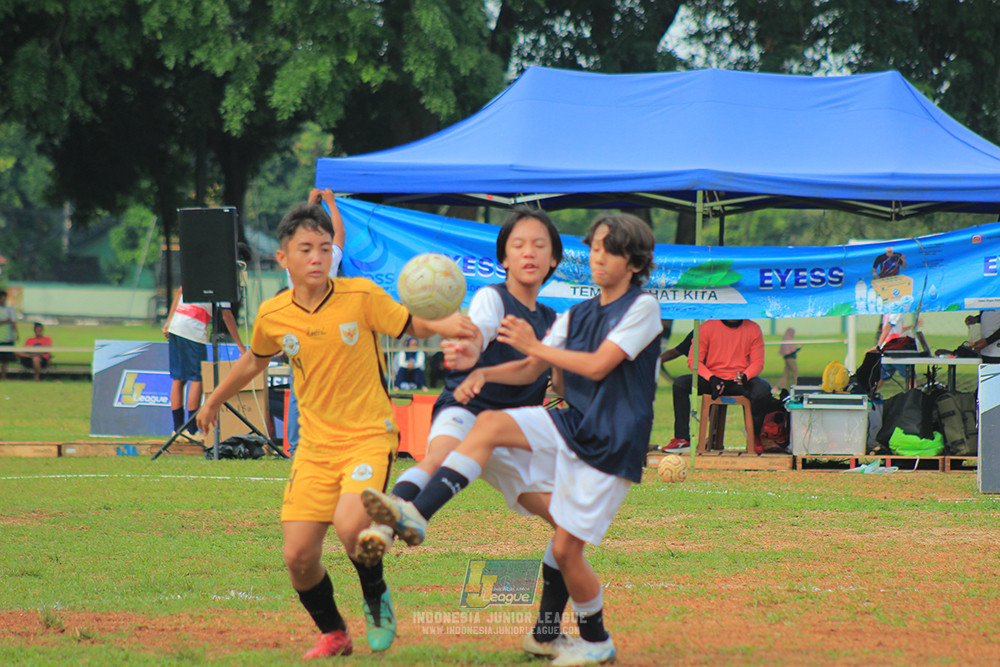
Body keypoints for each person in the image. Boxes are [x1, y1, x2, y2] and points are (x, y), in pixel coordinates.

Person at [361, 213, 661, 666]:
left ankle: (593, 639)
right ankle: (415, 515)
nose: (598, 258)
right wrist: (484, 370)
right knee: (487, 425)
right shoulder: (574, 314)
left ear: (635, 263)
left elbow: (599, 364)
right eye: (595, 248)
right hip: (569, 424)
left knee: (566, 548)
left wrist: (534, 348)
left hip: (612, 439)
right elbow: (531, 367)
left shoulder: (642, 307)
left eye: (610, 250)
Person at [196, 197, 476, 659]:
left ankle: (376, 597)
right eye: (306, 249)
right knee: (298, 557)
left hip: (368, 436)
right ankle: (334, 633)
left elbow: (411, 324)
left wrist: (447, 322)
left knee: (351, 526)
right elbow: (253, 361)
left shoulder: (360, 296)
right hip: (314, 448)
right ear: (283, 257)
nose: (317, 258)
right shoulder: (274, 314)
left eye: (325, 249)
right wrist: (213, 399)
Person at [355, 206, 564, 602]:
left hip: (513, 432)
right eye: (518, 244)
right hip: (468, 407)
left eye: (539, 245)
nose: (529, 252)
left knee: (569, 527)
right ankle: (386, 525)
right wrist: (470, 349)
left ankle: (547, 628)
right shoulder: (491, 298)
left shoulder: (553, 321)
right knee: (438, 457)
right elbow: (480, 330)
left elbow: (550, 373)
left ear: (554, 258)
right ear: (504, 258)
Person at [286, 189, 347, 455]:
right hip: (325, 333)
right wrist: (331, 203)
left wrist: (311, 203)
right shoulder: (327, 261)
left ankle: (297, 446)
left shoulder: (294, 260)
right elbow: (340, 235)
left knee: (299, 392)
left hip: (297, 333)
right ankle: (324, 441)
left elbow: (294, 229)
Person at [667, 319, 771, 452]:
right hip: (712, 380)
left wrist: (746, 376)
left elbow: (758, 362)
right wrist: (711, 378)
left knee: (763, 390)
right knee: (680, 384)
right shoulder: (706, 328)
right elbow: (694, 361)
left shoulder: (753, 328)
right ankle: (681, 438)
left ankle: (755, 435)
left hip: (740, 380)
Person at [162, 288, 245, 441]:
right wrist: (240, 344)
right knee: (198, 378)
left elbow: (180, 291)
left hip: (176, 325)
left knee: (179, 378)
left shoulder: (195, 274)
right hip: (193, 330)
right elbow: (227, 315)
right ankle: (192, 431)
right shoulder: (221, 283)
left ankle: (178, 429)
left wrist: (169, 321)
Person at [0, 289, 18, 380]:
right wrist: (6, 321)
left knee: (5, 360)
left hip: (8, 338)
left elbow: (13, 322)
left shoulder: (10, 310)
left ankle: (4, 376)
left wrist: (16, 333)